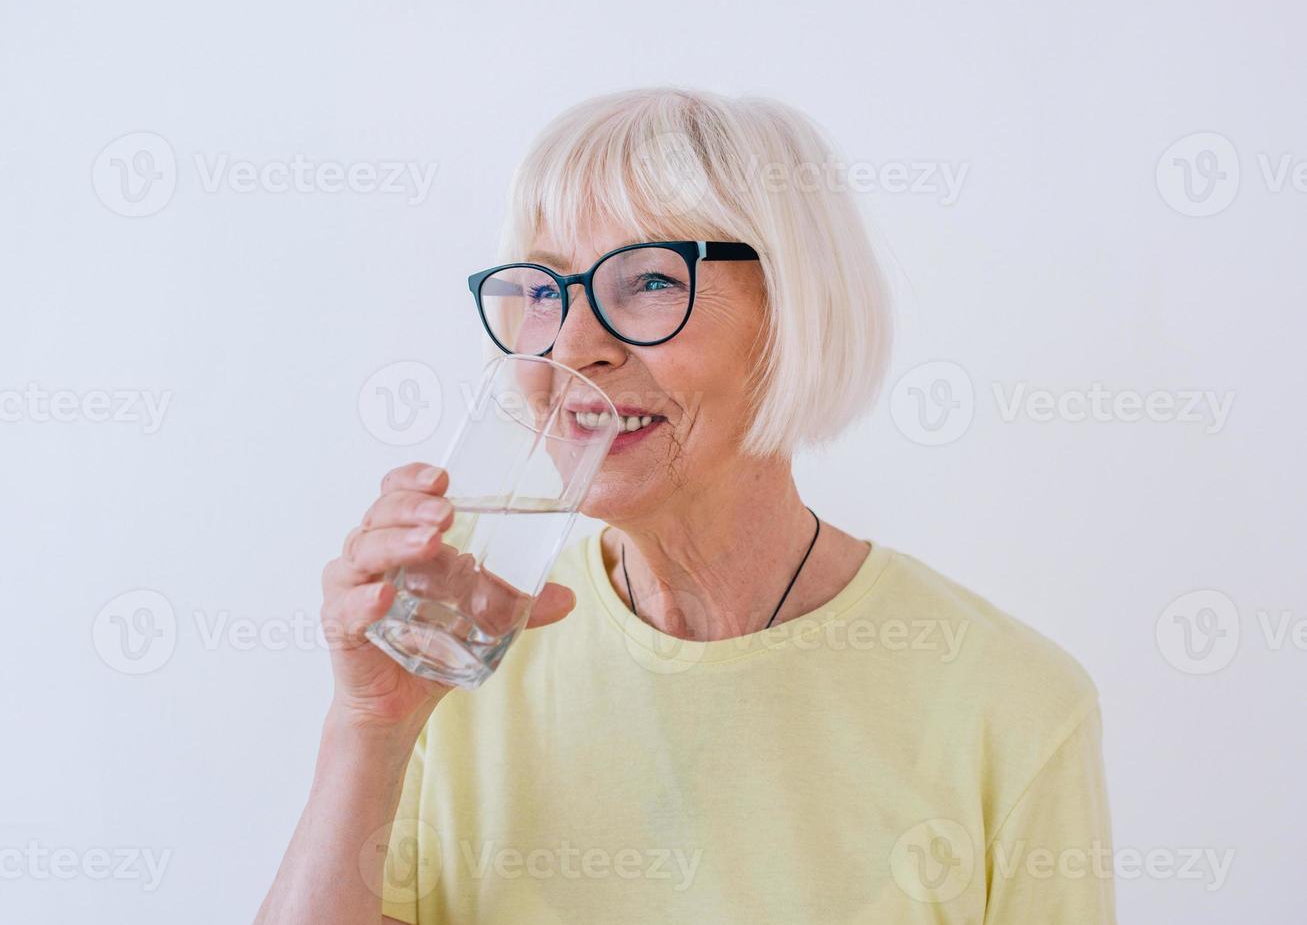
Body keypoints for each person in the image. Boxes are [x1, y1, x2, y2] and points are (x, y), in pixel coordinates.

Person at [257, 87, 1116, 923]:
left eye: (648, 283)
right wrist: (367, 729)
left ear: (789, 314)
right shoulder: (454, 644)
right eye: (547, 290)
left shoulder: (1008, 702)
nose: (572, 346)